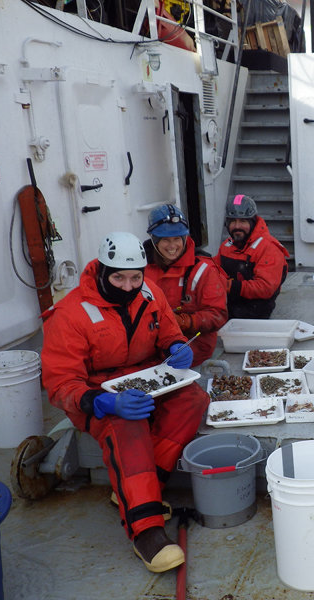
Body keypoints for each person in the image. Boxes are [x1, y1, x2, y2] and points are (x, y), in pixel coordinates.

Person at [41, 232, 210, 574]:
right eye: (119, 277)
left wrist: (177, 347)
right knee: (126, 426)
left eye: (136, 277)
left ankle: (141, 487)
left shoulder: (150, 293)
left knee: (193, 398)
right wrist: (101, 403)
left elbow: (168, 334)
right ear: (102, 272)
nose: (129, 286)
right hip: (96, 395)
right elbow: (59, 383)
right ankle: (145, 531)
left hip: (145, 379)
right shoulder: (70, 314)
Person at [144, 204, 228, 366]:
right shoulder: (140, 268)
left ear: (185, 238)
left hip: (192, 345)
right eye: (165, 240)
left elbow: (217, 315)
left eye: (177, 239)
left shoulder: (205, 269)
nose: (172, 246)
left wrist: (182, 321)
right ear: (154, 240)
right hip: (151, 345)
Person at [214, 194, 289, 319]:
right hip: (229, 304)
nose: (237, 226)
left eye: (243, 221)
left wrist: (230, 286)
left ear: (253, 222)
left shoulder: (269, 248)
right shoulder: (226, 246)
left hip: (256, 310)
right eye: (233, 221)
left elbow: (266, 288)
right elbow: (214, 270)